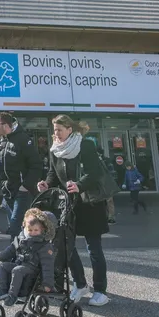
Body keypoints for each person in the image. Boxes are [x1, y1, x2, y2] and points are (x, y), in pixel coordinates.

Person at [39, 115, 111, 307]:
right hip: (68, 204)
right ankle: (80, 284)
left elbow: (94, 172)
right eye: (54, 130)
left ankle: (101, 290)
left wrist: (80, 185)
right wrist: (46, 183)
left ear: (70, 129)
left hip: (89, 203)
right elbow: (53, 174)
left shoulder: (85, 145)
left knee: (93, 248)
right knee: (66, 246)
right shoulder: (55, 149)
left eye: (59, 130)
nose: (56, 134)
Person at [0, 112, 42, 240]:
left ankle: (14, 258)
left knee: (15, 226)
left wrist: (25, 185)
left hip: (22, 191)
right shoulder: (1, 140)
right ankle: (27, 253)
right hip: (7, 190)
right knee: (21, 226)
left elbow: (36, 164)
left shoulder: (23, 139)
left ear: (5, 125)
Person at [0, 207, 56, 306]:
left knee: (17, 270)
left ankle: (12, 295)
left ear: (42, 230)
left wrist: (47, 284)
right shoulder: (22, 238)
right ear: (25, 228)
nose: (32, 233)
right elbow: (12, 248)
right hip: (20, 264)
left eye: (36, 230)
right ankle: (1, 289)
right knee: (3, 266)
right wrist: (3, 256)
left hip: (33, 269)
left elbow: (47, 265)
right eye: (30, 230)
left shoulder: (44, 245)